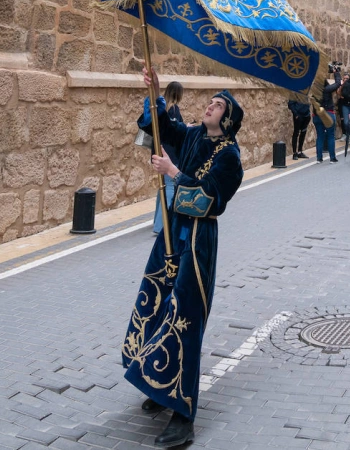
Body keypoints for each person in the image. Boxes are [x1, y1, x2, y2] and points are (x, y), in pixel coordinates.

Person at [124, 67, 244, 448]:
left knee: (185, 318)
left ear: (227, 119)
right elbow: (158, 128)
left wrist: (174, 173)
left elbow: (210, 201)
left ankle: (183, 413)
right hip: (171, 236)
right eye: (209, 102)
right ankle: (156, 382)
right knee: (157, 304)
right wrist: (156, 94)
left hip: (197, 243)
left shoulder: (231, 158)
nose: (209, 106)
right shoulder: (192, 134)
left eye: (217, 104)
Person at [151, 81, 185, 235]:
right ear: (178, 93)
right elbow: (174, 130)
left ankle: (157, 221)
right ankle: (161, 226)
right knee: (170, 187)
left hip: (158, 151)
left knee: (162, 188)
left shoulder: (161, 108)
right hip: (170, 154)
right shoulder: (173, 109)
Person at [312, 68, 341, 164]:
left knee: (320, 136)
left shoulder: (314, 91)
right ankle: (332, 158)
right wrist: (336, 72)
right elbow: (337, 83)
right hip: (328, 113)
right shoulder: (327, 90)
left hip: (316, 115)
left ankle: (319, 158)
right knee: (330, 136)